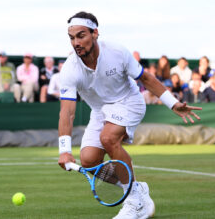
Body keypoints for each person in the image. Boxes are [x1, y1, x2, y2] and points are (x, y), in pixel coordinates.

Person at [57, 11, 201, 219]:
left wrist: (172, 103)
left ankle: (133, 201)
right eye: (72, 38)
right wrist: (64, 150)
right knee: (88, 161)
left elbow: (147, 79)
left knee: (108, 138)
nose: (76, 42)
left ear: (95, 33)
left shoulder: (117, 52)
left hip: (129, 102)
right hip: (100, 111)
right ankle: (136, 189)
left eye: (81, 36)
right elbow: (67, 112)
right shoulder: (70, 69)